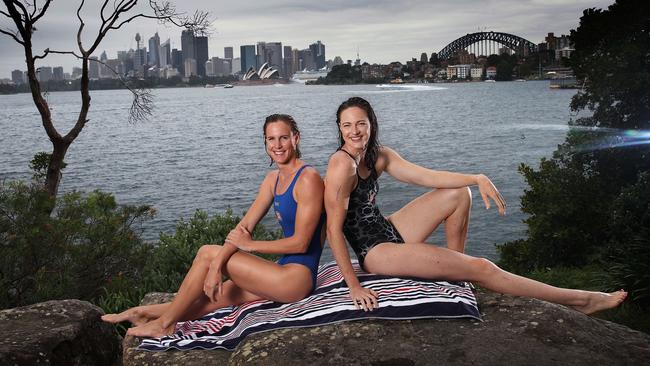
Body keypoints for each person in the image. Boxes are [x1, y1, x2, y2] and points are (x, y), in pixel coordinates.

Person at [324, 96, 627, 314]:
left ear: (371, 124)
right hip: (375, 252)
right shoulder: (342, 166)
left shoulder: (379, 154)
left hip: (389, 228)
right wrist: (354, 286)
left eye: (360, 123)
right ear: (340, 129)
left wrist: (476, 176)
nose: (354, 132)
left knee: (459, 193)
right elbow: (334, 230)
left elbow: (428, 177)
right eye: (346, 125)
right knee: (482, 267)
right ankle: (580, 300)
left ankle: (456, 271)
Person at [103, 114, 326, 337]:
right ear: (265, 142)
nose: (277, 145)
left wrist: (248, 246)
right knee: (216, 296)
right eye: (271, 139)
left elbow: (301, 242)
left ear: (295, 139)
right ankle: (142, 313)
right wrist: (216, 267)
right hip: (281, 269)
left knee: (206, 252)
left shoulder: (308, 179)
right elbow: (244, 227)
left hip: (297, 279)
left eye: (283, 138)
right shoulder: (272, 179)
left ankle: (164, 325)